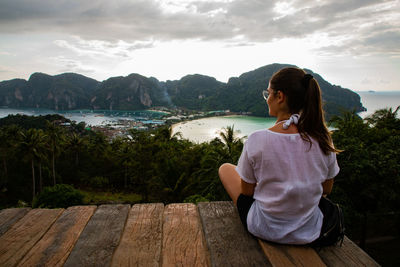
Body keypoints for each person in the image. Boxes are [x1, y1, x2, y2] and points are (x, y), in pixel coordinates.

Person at [218, 67, 340, 245]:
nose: (267, 99)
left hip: (264, 227)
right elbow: (327, 190)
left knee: (225, 168)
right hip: (310, 230)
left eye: (268, 94)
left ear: (280, 97)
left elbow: (247, 192)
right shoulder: (322, 138)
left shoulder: (257, 139)